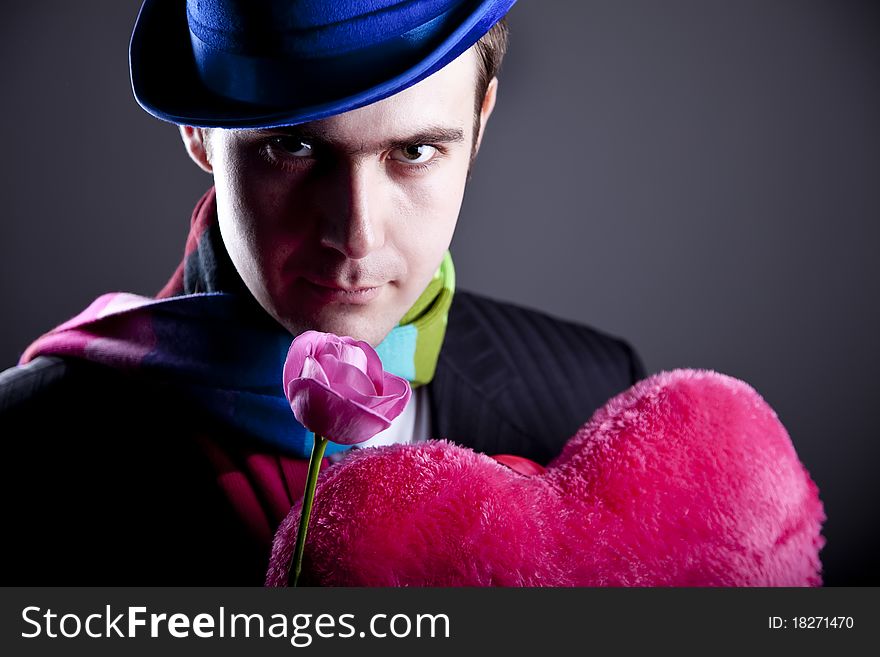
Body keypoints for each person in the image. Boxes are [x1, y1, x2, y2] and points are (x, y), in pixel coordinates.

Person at [0, 0, 644, 585]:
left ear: (480, 120)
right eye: (294, 146)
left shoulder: (595, 400)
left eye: (415, 150)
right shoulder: (26, 449)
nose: (356, 237)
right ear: (198, 132)